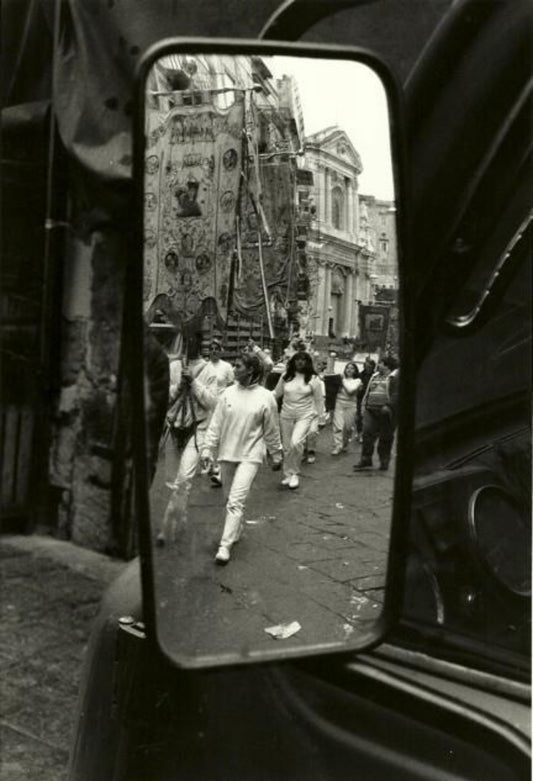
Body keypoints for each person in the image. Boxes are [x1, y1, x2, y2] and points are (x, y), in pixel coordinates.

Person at [200, 352, 282, 564]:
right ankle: (236, 528)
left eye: (238, 366)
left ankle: (224, 546)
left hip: (251, 455)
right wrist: (208, 450)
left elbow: (271, 429)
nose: (234, 369)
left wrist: (276, 454)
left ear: (251, 370)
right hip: (227, 453)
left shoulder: (266, 397)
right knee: (228, 498)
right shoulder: (227, 393)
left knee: (235, 500)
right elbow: (216, 425)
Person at [273, 350, 325, 489]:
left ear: (307, 362)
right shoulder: (286, 376)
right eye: (297, 359)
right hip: (286, 415)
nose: (300, 362)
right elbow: (276, 394)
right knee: (287, 447)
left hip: (305, 415)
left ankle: (295, 473)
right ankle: (287, 474)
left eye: (303, 360)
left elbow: (319, 400)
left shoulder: (313, 379)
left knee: (296, 443)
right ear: (293, 362)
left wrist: (321, 419)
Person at [197, 339, 235, 486]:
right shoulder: (204, 366)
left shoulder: (226, 367)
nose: (214, 351)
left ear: (220, 350)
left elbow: (231, 385)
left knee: (220, 435)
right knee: (206, 433)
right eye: (211, 348)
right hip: (207, 405)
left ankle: (219, 467)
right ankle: (209, 463)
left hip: (222, 404)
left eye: (216, 348)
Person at [353, 354, 398, 471]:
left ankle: (384, 460)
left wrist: (389, 406)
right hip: (370, 409)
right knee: (367, 433)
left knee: (385, 437)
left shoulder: (395, 378)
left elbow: (396, 394)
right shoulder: (375, 376)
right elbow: (368, 391)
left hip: (386, 412)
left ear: (387, 366)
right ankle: (366, 459)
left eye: (381, 363)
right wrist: (364, 405)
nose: (379, 365)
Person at [331, 361, 362, 455]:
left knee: (348, 428)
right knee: (338, 426)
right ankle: (337, 446)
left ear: (355, 371)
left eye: (352, 368)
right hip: (339, 403)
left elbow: (350, 391)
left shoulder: (357, 381)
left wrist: (342, 381)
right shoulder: (340, 380)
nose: (349, 369)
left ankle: (345, 443)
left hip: (351, 405)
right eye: (347, 367)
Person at [355, 356, 376, 442]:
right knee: (358, 417)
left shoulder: (375, 376)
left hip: (370, 399)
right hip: (359, 398)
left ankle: (364, 433)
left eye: (370, 367)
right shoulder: (359, 375)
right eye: (366, 366)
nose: (368, 368)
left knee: (366, 417)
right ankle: (359, 432)